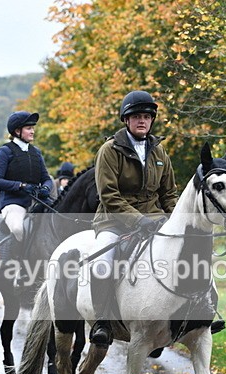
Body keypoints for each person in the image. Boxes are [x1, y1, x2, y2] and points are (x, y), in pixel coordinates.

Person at [88, 90, 178, 347]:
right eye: (137, 116)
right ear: (126, 120)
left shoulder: (160, 152)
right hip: (113, 221)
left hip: (155, 220)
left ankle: (191, 315)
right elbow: (108, 195)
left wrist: (174, 220)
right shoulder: (109, 150)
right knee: (103, 262)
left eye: (147, 117)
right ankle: (102, 322)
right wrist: (138, 221)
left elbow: (169, 193)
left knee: (186, 253)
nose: (142, 121)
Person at [0, 111, 54, 284]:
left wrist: (46, 189)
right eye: (28, 128)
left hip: (37, 201)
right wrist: (21, 186)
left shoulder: (36, 152)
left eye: (33, 128)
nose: (32, 131)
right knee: (19, 229)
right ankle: (19, 268)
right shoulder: (5, 151)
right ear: (17, 131)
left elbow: (46, 178)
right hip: (13, 203)